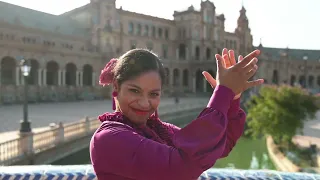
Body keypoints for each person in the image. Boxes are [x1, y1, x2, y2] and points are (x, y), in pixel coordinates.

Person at [90, 48, 264, 180]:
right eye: (134, 91)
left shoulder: (161, 131)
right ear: (116, 88)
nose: (144, 103)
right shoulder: (108, 139)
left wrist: (232, 99)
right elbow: (181, 169)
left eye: (153, 94)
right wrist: (222, 93)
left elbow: (220, 146)